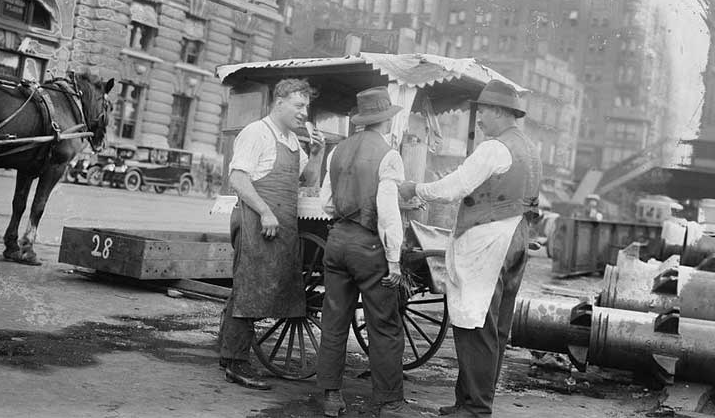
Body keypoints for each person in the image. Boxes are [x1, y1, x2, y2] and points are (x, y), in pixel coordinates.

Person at [399, 79, 542, 417]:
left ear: (499, 112)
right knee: (495, 327)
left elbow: (455, 187)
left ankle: (476, 407)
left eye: (483, 113)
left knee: (474, 323)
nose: (479, 120)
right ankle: (468, 400)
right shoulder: (529, 149)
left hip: (489, 238)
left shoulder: (495, 148)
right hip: (516, 234)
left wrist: (414, 188)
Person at [217, 78, 324, 390]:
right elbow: (237, 178)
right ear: (279, 101)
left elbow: (308, 179)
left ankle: (229, 355)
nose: (305, 113)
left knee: (255, 290)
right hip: (255, 221)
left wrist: (317, 153)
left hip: (279, 225)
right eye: (299, 105)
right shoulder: (256, 132)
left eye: (307, 107)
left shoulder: (292, 140)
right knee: (250, 290)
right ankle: (237, 365)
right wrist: (264, 211)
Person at [316, 86, 415, 418]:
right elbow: (387, 214)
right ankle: (390, 403)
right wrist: (394, 261)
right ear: (386, 120)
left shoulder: (337, 152)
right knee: (384, 324)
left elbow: (326, 203)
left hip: (336, 241)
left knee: (334, 321)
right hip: (368, 246)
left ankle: (330, 396)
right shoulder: (388, 155)